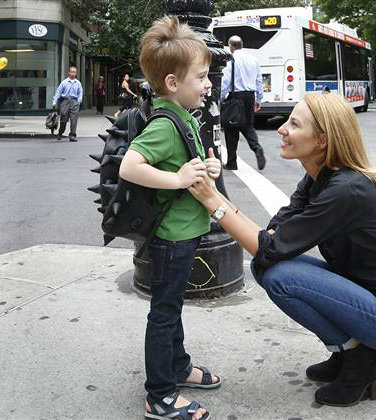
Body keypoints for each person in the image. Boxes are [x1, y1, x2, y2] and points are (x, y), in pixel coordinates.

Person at [189, 93, 376, 408]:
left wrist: (212, 201)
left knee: (279, 274)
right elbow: (276, 228)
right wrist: (262, 234)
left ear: (322, 140)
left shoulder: (345, 190)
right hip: (370, 297)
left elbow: (269, 246)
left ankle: (363, 358)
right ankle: (348, 352)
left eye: (294, 124)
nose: (282, 129)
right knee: (266, 268)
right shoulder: (317, 179)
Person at [119, 16, 221, 420]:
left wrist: (202, 170)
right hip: (171, 237)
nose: (208, 83)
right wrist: (177, 178)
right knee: (164, 313)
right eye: (201, 76)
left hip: (184, 233)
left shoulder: (180, 115)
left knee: (172, 306)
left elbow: (188, 164)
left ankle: (177, 367)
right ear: (173, 83)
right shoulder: (165, 123)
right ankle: (159, 394)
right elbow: (131, 165)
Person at [221, 35, 266, 171]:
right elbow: (259, 80)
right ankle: (256, 148)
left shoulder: (231, 60)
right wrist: (258, 98)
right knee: (248, 125)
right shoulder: (253, 59)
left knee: (231, 128)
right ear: (242, 44)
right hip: (250, 96)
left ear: (231, 46)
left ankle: (232, 162)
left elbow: (226, 81)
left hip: (236, 96)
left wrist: (221, 97)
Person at [52, 65, 83, 142]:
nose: (73, 73)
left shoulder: (78, 83)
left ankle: (72, 135)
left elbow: (80, 92)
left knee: (74, 119)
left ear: (76, 73)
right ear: (68, 72)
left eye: (74, 72)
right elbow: (58, 92)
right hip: (65, 102)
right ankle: (60, 132)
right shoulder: (64, 82)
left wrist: (79, 101)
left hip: (74, 102)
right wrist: (54, 101)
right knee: (63, 119)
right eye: (71, 72)